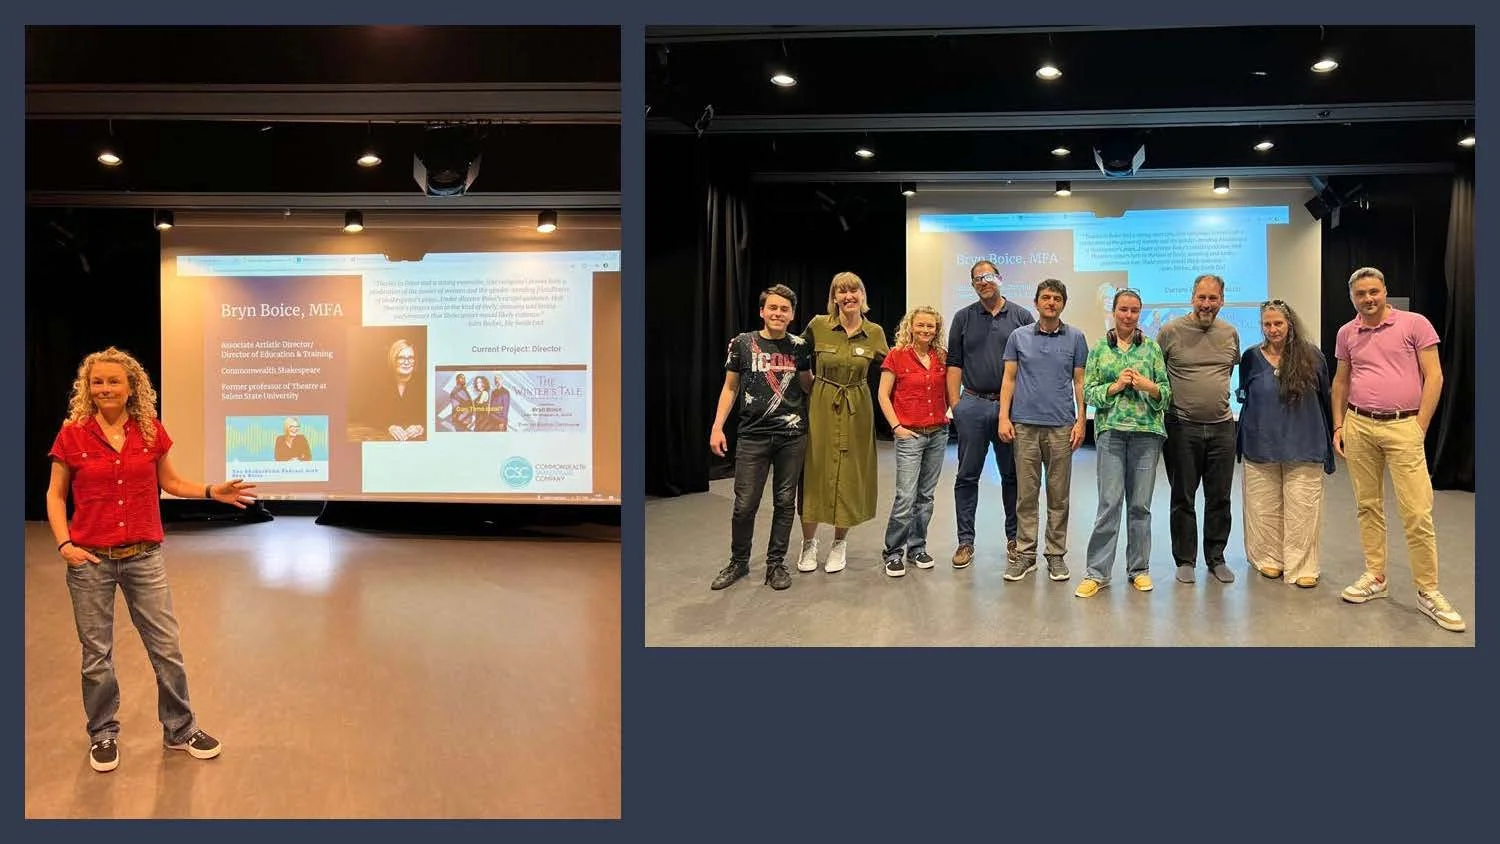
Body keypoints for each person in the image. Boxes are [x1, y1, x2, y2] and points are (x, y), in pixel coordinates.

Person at [45, 347, 256, 773]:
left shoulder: (149, 430)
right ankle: (102, 733)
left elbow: (172, 482)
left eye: (113, 381)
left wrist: (212, 490)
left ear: (131, 387)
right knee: (96, 655)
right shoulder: (73, 434)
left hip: (144, 557)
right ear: (88, 388)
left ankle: (180, 729)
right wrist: (65, 544)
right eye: (97, 382)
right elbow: (55, 495)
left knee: (167, 649)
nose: (104, 388)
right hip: (90, 561)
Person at [1333, 267, 1465, 632]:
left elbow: (1435, 376)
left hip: (1403, 425)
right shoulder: (1347, 333)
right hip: (1359, 425)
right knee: (1368, 506)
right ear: (1352, 297)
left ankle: (1428, 591)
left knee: (1417, 512)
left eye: (1373, 291)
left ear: (1385, 291)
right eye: (1360, 294)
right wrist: (1339, 424)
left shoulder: (1414, 324)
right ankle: (1376, 577)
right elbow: (1341, 380)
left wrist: (1419, 425)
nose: (1368, 299)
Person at [709, 284, 813, 590]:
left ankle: (775, 564)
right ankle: (738, 562)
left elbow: (808, 385)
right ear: (762, 311)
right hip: (752, 436)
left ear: (792, 314)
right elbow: (730, 388)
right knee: (744, 505)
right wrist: (717, 426)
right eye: (773, 308)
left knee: (784, 502)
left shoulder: (800, 346)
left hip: (792, 436)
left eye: (784, 309)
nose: (778, 313)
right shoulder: (742, 344)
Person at [1075, 290, 1172, 597]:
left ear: (1139, 314)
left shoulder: (1153, 350)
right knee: (1109, 504)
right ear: (1114, 312)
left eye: (1134, 311)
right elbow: (1088, 393)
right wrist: (1115, 387)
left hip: (1147, 435)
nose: (1128, 315)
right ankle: (1097, 572)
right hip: (1111, 435)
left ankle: (1139, 570)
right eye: (1123, 310)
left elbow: (1167, 395)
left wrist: (1149, 386)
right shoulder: (1100, 348)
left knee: (1140, 507)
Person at [1236, 300, 1335, 587]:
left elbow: (1325, 398)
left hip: (1304, 442)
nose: (1272, 329)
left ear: (1289, 324)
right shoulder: (1251, 358)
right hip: (1260, 442)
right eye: (1267, 324)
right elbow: (1245, 395)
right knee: (1261, 506)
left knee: (1303, 507)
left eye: (1278, 323)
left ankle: (1302, 565)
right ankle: (1268, 558)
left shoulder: (1312, 357)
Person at [998, 279, 1090, 582]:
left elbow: (1080, 382)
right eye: (1046, 298)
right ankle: (1025, 555)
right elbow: (1009, 379)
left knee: (1058, 495)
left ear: (1063, 303)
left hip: (1062, 427)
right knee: (1026, 495)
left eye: (1057, 298)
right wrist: (1003, 417)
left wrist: (1080, 421)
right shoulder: (1018, 337)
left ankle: (1055, 555)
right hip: (1024, 426)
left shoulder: (1076, 338)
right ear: (1036, 303)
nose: (1051, 302)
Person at [797, 272, 888, 574]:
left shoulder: (874, 332)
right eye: (841, 291)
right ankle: (809, 543)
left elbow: (893, 368)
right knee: (815, 469)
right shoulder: (818, 325)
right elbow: (795, 357)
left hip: (857, 407)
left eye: (854, 291)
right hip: (822, 404)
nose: (848, 296)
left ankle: (839, 543)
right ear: (834, 297)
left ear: (863, 296)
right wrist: (813, 388)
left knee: (850, 473)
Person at [947, 261, 1034, 569]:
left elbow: (1031, 363)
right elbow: (954, 364)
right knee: (967, 476)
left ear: (1000, 278)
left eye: (989, 276)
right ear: (972, 285)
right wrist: (956, 406)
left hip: (1011, 409)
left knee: (1012, 476)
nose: (984, 282)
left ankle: (1014, 539)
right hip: (972, 405)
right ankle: (965, 542)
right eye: (977, 278)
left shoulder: (1022, 316)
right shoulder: (963, 318)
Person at [1157, 274, 1240, 584]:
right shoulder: (1170, 332)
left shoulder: (1230, 333)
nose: (1207, 304)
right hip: (1181, 427)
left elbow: (1227, 370)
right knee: (1183, 496)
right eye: (1202, 297)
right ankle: (1185, 560)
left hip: (1222, 427)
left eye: (1213, 298)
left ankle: (1216, 557)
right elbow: (1158, 372)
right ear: (1192, 298)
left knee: (1220, 497)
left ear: (1222, 300)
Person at [876, 306, 951, 577]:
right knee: (905, 496)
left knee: (925, 497)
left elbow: (952, 389)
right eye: (920, 325)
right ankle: (893, 551)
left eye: (930, 326)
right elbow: (883, 394)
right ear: (911, 326)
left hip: (938, 434)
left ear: (936, 329)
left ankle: (917, 547)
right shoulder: (897, 356)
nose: (925, 330)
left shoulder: (941, 356)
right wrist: (896, 427)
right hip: (910, 434)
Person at [355, 337, 425, 442]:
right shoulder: (379, 383)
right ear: (393, 359)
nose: (406, 362)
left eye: (411, 358)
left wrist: (421, 427)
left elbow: (431, 413)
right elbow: (366, 413)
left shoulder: (424, 383)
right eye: (401, 358)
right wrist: (389, 426)